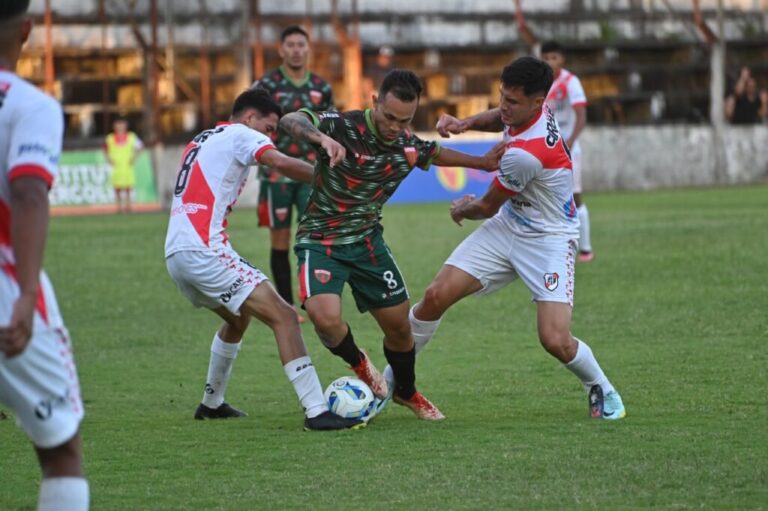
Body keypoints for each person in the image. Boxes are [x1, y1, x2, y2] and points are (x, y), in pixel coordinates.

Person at [279, 69, 504, 421]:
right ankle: (361, 365)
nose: (395, 127)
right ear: (374, 101)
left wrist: (484, 163)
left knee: (400, 328)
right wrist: (320, 140)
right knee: (324, 318)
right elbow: (290, 119)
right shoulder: (342, 126)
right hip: (320, 240)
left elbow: (436, 153)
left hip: (368, 243)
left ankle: (407, 391)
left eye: (405, 120)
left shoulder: (407, 144)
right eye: (389, 117)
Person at [412, 56, 626, 420]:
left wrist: (463, 207)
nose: (503, 107)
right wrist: (464, 123)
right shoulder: (525, 114)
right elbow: (499, 119)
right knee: (434, 297)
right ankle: (392, 384)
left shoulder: (526, 155)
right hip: (511, 224)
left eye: (512, 101)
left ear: (538, 103)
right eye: (502, 96)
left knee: (555, 339)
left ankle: (602, 389)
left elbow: (488, 206)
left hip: (549, 238)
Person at [164, 87, 363, 431]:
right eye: (269, 129)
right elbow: (280, 162)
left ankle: (211, 404)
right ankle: (317, 411)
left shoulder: (203, 137)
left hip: (176, 253)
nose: (271, 137)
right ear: (250, 117)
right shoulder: (241, 133)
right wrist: (330, 178)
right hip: (203, 250)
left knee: (238, 318)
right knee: (284, 316)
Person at [0, 1, 90, 509]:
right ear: (28, 31)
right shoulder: (30, 105)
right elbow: (30, 194)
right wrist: (27, 292)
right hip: (9, 289)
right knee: (61, 450)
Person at [253, 26, 334, 323]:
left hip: (312, 174)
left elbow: (331, 125)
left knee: (313, 237)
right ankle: (286, 304)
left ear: (308, 49)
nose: (297, 49)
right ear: (281, 49)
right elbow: (250, 121)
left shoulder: (321, 87)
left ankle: (312, 300)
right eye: (292, 45)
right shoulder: (266, 84)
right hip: (276, 175)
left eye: (302, 44)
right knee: (280, 239)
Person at [540, 41, 593, 262]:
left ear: (562, 59)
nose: (551, 62)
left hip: (569, 148)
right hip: (544, 147)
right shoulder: (540, 82)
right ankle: (554, 247)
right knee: (544, 196)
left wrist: (569, 142)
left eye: (555, 57)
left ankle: (586, 249)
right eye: (547, 57)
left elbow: (581, 116)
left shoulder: (571, 82)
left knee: (574, 196)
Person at [104, 116, 144, 214]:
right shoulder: (110, 138)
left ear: (126, 125)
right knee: (117, 187)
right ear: (114, 126)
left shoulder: (131, 137)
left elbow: (140, 147)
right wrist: (109, 159)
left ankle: (128, 206)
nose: (120, 126)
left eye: (122, 124)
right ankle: (119, 207)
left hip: (127, 165)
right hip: (116, 166)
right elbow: (105, 149)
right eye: (118, 124)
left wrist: (134, 158)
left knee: (128, 187)